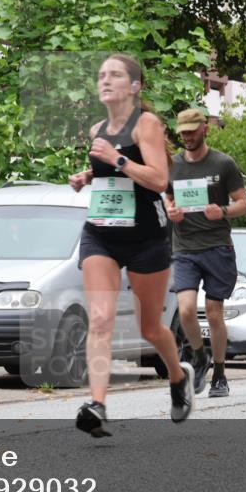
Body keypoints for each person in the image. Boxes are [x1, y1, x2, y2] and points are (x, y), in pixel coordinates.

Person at [68, 53, 194, 437]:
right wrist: (88, 176)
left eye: (116, 75)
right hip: (101, 233)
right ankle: (98, 404)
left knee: (150, 327)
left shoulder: (147, 124)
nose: (105, 80)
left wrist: (117, 158)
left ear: (135, 86)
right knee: (101, 318)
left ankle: (177, 377)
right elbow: (109, 171)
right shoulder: (96, 129)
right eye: (101, 74)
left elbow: (158, 179)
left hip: (145, 237)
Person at [165, 108, 246, 397]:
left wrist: (222, 210)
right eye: (183, 132)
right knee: (186, 309)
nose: (187, 137)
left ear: (205, 130)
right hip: (185, 248)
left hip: (217, 247)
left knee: (214, 314)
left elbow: (243, 203)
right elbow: (167, 195)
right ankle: (199, 356)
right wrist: (170, 210)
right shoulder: (172, 164)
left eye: (192, 131)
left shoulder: (223, 164)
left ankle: (221, 375)